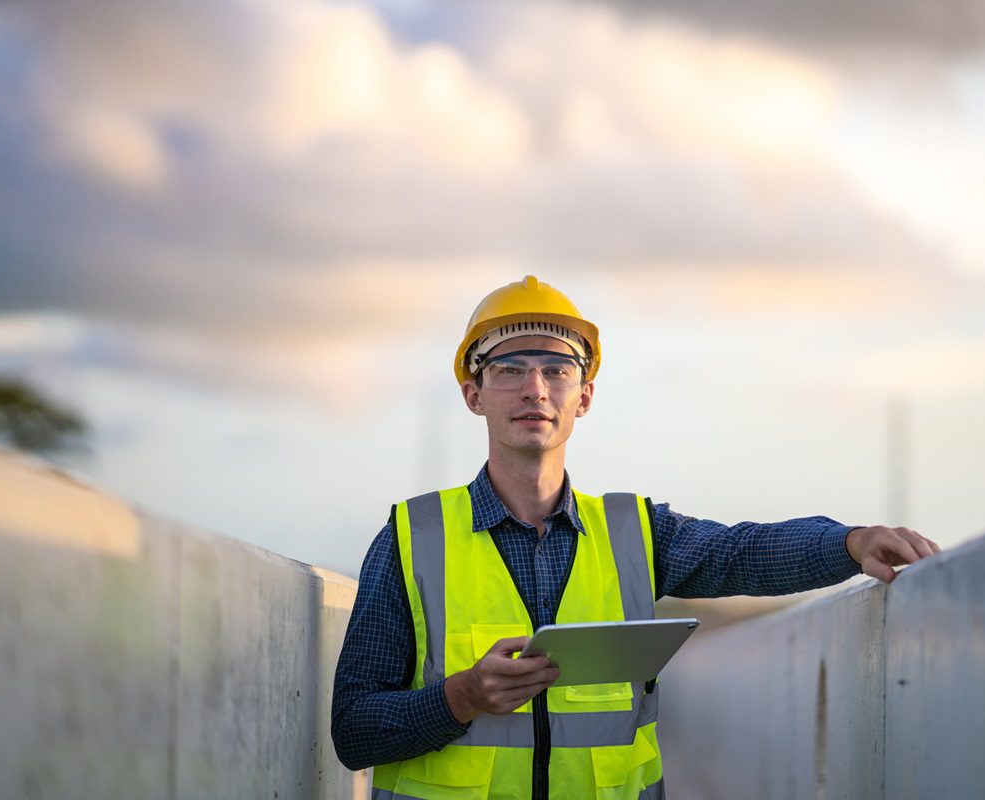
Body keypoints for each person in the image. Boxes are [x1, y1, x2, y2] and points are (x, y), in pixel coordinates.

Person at [332, 276, 940, 799]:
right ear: (474, 394)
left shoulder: (633, 532)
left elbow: (741, 554)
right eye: (509, 369)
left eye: (557, 369)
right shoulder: (412, 539)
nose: (535, 389)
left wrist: (849, 543)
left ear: (584, 396)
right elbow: (354, 730)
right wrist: (460, 697)